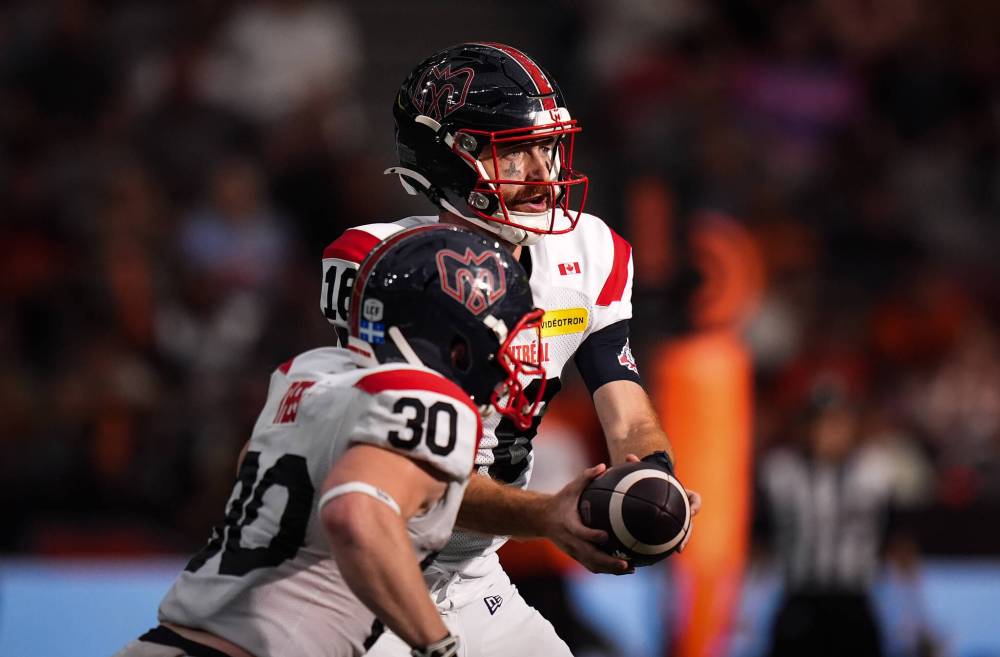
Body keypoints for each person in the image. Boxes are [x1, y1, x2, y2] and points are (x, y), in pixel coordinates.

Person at [319, 42, 702, 657]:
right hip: (363, 574)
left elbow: (627, 412)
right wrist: (547, 516)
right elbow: (416, 471)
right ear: (450, 157)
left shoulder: (590, 253)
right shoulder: (387, 266)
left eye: (547, 146)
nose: (543, 173)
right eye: (514, 150)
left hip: (474, 578)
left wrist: (652, 476)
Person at [112, 226, 547, 657]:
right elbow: (354, 513)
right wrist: (438, 645)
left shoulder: (309, 372)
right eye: (501, 338)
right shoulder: (429, 403)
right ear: (455, 342)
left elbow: (249, 463)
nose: (510, 360)